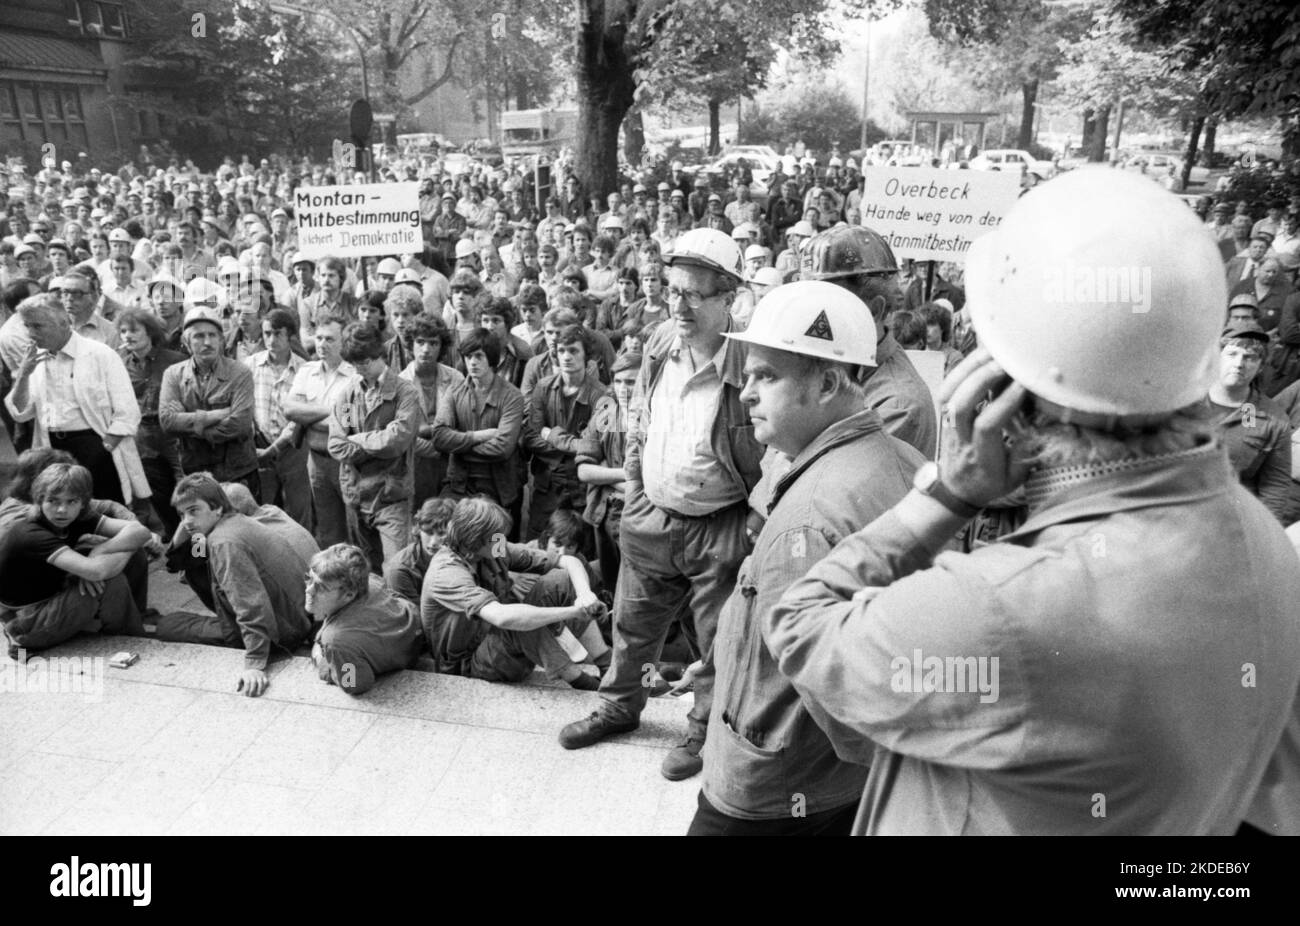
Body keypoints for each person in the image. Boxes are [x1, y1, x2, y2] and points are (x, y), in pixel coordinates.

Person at [763, 168, 1300, 835]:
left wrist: (946, 493)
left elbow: (801, 624)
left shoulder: (1004, 604)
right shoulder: (1267, 547)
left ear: (1009, 386)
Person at [687, 280, 925, 835]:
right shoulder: (904, 462)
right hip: (829, 784)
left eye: (766, 376)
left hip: (772, 791)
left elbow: (835, 691)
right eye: (747, 375)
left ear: (828, 383)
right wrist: (731, 656)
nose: (745, 393)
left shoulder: (811, 518)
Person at [558, 228, 762, 781]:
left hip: (720, 525)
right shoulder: (658, 343)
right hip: (651, 518)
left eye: (694, 295)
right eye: (673, 291)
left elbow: (775, 452)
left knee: (719, 639)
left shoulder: (752, 364)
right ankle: (620, 706)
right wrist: (634, 495)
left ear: (730, 299)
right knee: (632, 624)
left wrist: (750, 526)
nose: (678, 305)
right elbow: (638, 427)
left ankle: (701, 732)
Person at [420, 496, 608, 689]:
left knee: (561, 579)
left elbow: (569, 562)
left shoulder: (493, 548)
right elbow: (503, 617)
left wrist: (586, 596)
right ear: (474, 538)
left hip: (498, 644)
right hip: (468, 665)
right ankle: (583, 683)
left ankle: (606, 665)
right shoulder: (446, 573)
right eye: (496, 535)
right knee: (519, 619)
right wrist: (573, 612)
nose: (502, 539)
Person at [157, 474, 314, 698]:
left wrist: (254, 663)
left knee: (169, 625)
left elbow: (251, 604)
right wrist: (191, 518)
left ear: (218, 508)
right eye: (181, 514)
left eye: (193, 510)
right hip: (298, 618)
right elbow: (178, 560)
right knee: (196, 562)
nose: (186, 521)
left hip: (282, 634)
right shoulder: (240, 520)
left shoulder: (224, 543)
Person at [6, 294, 148, 507]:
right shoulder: (35, 361)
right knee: (62, 513)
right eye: (27, 326)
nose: (30, 334)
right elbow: (20, 411)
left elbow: (128, 411)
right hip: (52, 450)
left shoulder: (100, 354)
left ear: (63, 323)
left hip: (95, 444)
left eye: (37, 326)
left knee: (104, 510)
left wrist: (104, 447)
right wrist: (24, 375)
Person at [0, 463, 149, 656]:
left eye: (71, 501)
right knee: (111, 579)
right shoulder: (30, 533)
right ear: (39, 500)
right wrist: (97, 563)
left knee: (128, 552)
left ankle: (131, 619)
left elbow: (140, 531)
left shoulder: (79, 516)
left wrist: (101, 550)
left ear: (83, 502)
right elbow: (97, 571)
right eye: (53, 501)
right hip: (26, 622)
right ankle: (129, 636)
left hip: (52, 594)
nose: (62, 510)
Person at [329, 321, 423, 573]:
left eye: (363, 363)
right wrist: (373, 441)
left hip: (391, 496)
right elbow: (337, 444)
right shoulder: (348, 396)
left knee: (396, 571)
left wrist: (359, 440)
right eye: (354, 364)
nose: (358, 370)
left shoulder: (405, 393)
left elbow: (397, 440)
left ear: (378, 355)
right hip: (356, 495)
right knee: (367, 572)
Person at [159, 305, 260, 495]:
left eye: (212, 335)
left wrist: (190, 424)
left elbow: (240, 424)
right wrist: (214, 415)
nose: (207, 342)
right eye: (198, 336)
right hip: (194, 472)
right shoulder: (174, 375)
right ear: (186, 342)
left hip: (237, 472)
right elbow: (167, 422)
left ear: (222, 340)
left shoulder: (240, 373)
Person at [523, 324, 608, 540]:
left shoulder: (600, 395)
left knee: (578, 544)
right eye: (561, 351)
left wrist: (551, 435)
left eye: (573, 350)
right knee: (538, 540)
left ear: (586, 355)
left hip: (580, 487)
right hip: (547, 483)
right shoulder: (543, 387)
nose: (567, 357)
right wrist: (571, 448)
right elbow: (531, 437)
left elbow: (594, 447)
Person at [432, 329, 526, 522]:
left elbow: (502, 448)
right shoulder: (455, 392)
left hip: (499, 490)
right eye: (468, 356)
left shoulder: (512, 396)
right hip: (459, 486)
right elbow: (439, 437)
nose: (472, 362)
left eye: (478, 356)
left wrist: (457, 446)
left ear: (491, 358)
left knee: (497, 547)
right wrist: (477, 437)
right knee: (442, 528)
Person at [308, 543, 424, 696]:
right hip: (409, 624)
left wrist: (320, 661)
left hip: (408, 654)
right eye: (309, 578)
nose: (308, 590)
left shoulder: (337, 640)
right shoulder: (366, 581)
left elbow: (354, 684)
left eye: (320, 587)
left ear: (349, 594)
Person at [1208, 321, 1294, 522]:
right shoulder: (1185, 403)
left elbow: (1274, 486)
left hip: (1234, 522)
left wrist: (1265, 536)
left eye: (1250, 357)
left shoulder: (1272, 420)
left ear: (1261, 366)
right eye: (1231, 354)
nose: (1239, 364)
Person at [283, 316, 356, 549]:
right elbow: (290, 409)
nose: (322, 344)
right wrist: (330, 411)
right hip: (315, 460)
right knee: (327, 529)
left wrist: (311, 416)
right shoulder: (307, 370)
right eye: (319, 338)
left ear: (343, 342)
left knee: (355, 527)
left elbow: (347, 422)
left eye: (330, 339)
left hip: (346, 462)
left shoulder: (355, 375)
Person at [116, 308, 186, 534]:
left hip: (174, 434)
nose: (127, 335)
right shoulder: (119, 364)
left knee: (186, 486)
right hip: (142, 436)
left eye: (134, 330)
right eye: (123, 330)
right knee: (157, 489)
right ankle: (175, 536)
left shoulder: (174, 360)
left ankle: (198, 543)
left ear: (150, 332)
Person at [575, 351, 639, 592]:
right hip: (604, 511)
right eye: (619, 381)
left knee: (637, 586)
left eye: (631, 382)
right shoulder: (604, 414)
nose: (623, 389)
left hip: (638, 516)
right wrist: (624, 473)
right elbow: (584, 471)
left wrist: (605, 473)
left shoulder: (656, 420)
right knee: (611, 582)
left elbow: (644, 486)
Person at [246, 308, 311, 530]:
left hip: (294, 445)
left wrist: (274, 448)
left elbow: (299, 417)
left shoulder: (304, 369)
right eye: (267, 334)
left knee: (299, 506)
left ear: (290, 335)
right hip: (260, 443)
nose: (271, 340)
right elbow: (245, 405)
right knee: (265, 508)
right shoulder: (251, 364)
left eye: (277, 334)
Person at [385, 496, 456, 608]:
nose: (433, 542)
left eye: (441, 534)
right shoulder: (400, 570)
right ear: (418, 529)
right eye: (428, 532)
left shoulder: (459, 555)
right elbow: (415, 617)